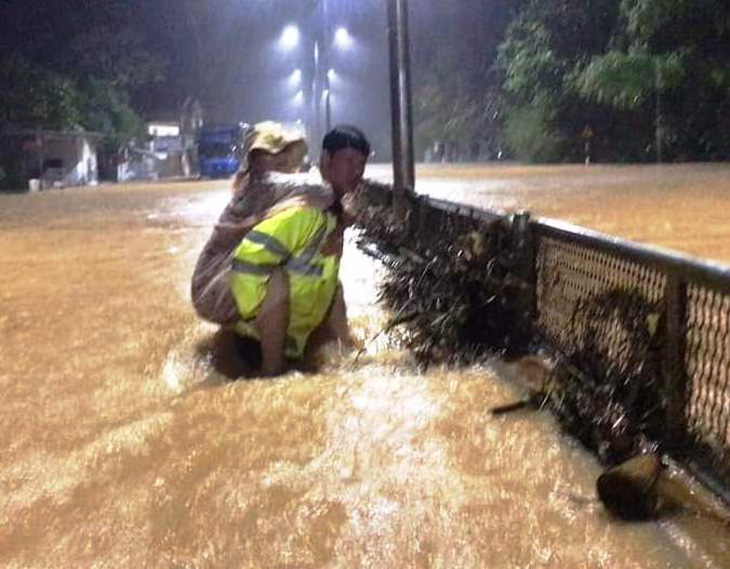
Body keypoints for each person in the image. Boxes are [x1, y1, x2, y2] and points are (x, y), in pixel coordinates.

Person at [192, 124, 371, 376]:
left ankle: (343, 355)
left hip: (244, 286)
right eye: (350, 161)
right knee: (273, 281)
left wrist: (339, 221)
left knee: (331, 284)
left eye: (361, 163)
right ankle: (272, 369)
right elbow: (321, 194)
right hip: (215, 286)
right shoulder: (286, 193)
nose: (357, 171)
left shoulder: (299, 195)